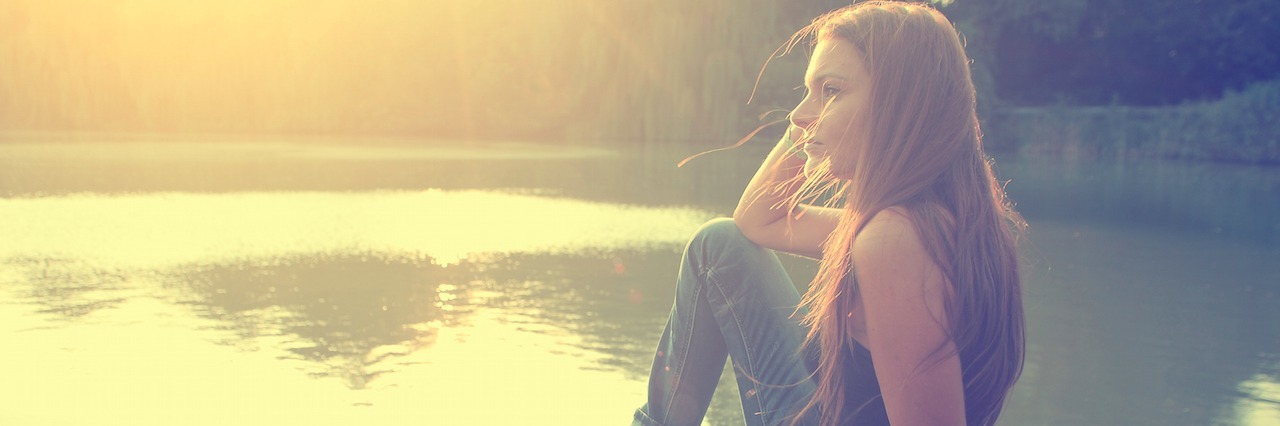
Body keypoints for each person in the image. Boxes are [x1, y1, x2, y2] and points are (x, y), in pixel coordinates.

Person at [632, 2, 1026, 425]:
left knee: (715, 244)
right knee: (718, 246)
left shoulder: (895, 241)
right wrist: (812, 123)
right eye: (807, 91)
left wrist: (817, 124)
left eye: (831, 91)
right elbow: (756, 220)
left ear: (900, 104)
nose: (798, 115)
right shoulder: (936, 218)